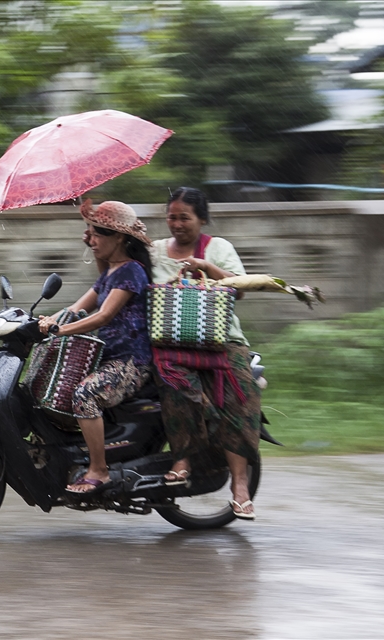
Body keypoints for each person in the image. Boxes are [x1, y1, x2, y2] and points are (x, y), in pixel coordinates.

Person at [151, 187, 262, 520]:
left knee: (240, 399)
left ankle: (240, 487)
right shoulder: (154, 250)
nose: (177, 223)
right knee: (175, 387)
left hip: (223, 340)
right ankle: (182, 458)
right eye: (172, 216)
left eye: (185, 217)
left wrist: (203, 266)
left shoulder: (219, 248)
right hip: (171, 342)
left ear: (201, 218)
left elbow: (240, 288)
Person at [38, 200, 153, 494]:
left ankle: (99, 470)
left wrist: (58, 329)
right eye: (91, 232)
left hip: (131, 363)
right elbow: (77, 308)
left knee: (84, 395)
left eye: (100, 232)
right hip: (108, 358)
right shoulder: (111, 273)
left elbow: (103, 316)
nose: (93, 238)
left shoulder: (133, 272)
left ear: (122, 238)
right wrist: (42, 321)